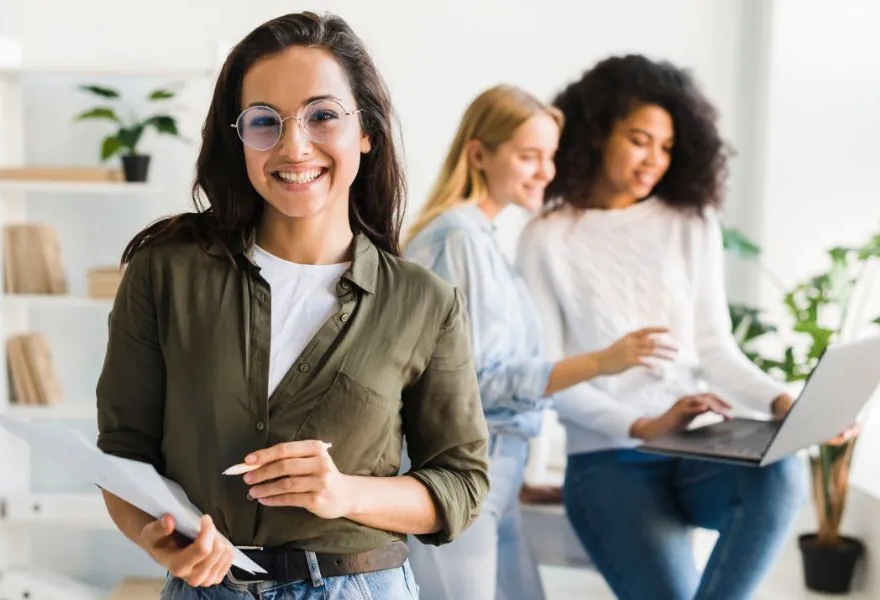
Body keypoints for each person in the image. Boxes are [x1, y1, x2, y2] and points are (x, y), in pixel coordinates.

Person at [95, 12, 490, 599]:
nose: (293, 145)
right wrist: (158, 541)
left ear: (367, 132)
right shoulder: (166, 272)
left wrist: (343, 493)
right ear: (240, 138)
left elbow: (461, 484)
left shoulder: (424, 302)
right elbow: (123, 454)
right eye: (264, 122)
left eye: (322, 115)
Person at [518, 55, 807, 600]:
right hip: (607, 458)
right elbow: (548, 377)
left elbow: (714, 348)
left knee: (782, 472)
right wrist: (642, 424)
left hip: (699, 449)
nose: (654, 159)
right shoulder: (547, 237)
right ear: (599, 132)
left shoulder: (691, 222)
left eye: (667, 147)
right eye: (639, 139)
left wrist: (779, 402)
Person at [403, 84, 676, 600]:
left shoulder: (484, 240)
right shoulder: (457, 237)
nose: (546, 172)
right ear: (480, 154)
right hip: (463, 480)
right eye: (530, 156)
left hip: (495, 477)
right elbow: (480, 383)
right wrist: (602, 361)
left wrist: (521, 474)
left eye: (549, 156)